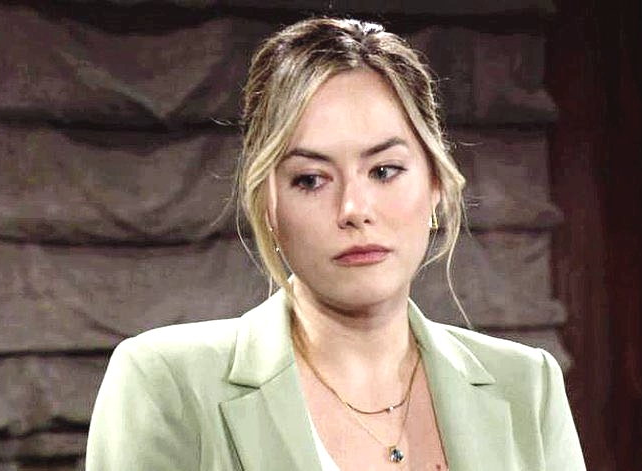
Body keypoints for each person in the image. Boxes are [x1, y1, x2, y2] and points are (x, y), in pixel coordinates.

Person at [85, 17, 586, 471]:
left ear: (435, 182)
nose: (353, 208)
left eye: (384, 170)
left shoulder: (528, 386)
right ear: (267, 204)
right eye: (310, 179)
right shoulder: (166, 382)